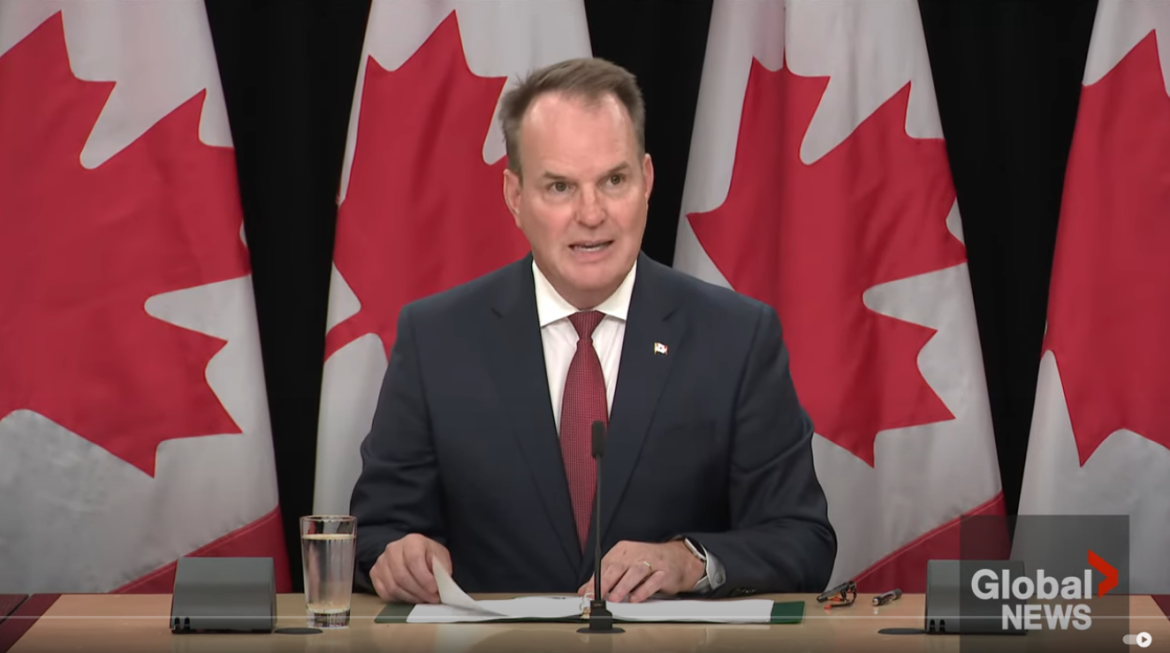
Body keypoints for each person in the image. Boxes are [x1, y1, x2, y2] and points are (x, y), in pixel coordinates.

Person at [349, 57, 836, 605]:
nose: (591, 213)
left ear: (647, 180)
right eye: (560, 186)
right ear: (515, 197)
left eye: (614, 180)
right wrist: (400, 556)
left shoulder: (737, 338)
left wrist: (689, 561)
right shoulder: (437, 339)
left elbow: (803, 542)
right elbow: (373, 533)